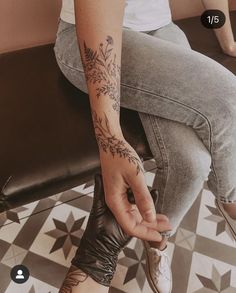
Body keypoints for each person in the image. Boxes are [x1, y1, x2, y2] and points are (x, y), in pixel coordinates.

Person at [54, 0, 236, 292]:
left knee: (192, 164)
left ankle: (156, 242)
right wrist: (111, 139)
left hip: (162, 30)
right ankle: (231, 202)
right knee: (229, 100)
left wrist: (228, 41)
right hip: (89, 35)